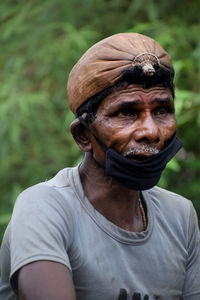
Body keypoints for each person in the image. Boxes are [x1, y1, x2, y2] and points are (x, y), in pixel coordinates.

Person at [0, 33, 200, 300]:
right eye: (127, 113)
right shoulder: (45, 208)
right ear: (83, 134)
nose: (151, 131)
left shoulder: (180, 216)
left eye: (162, 110)